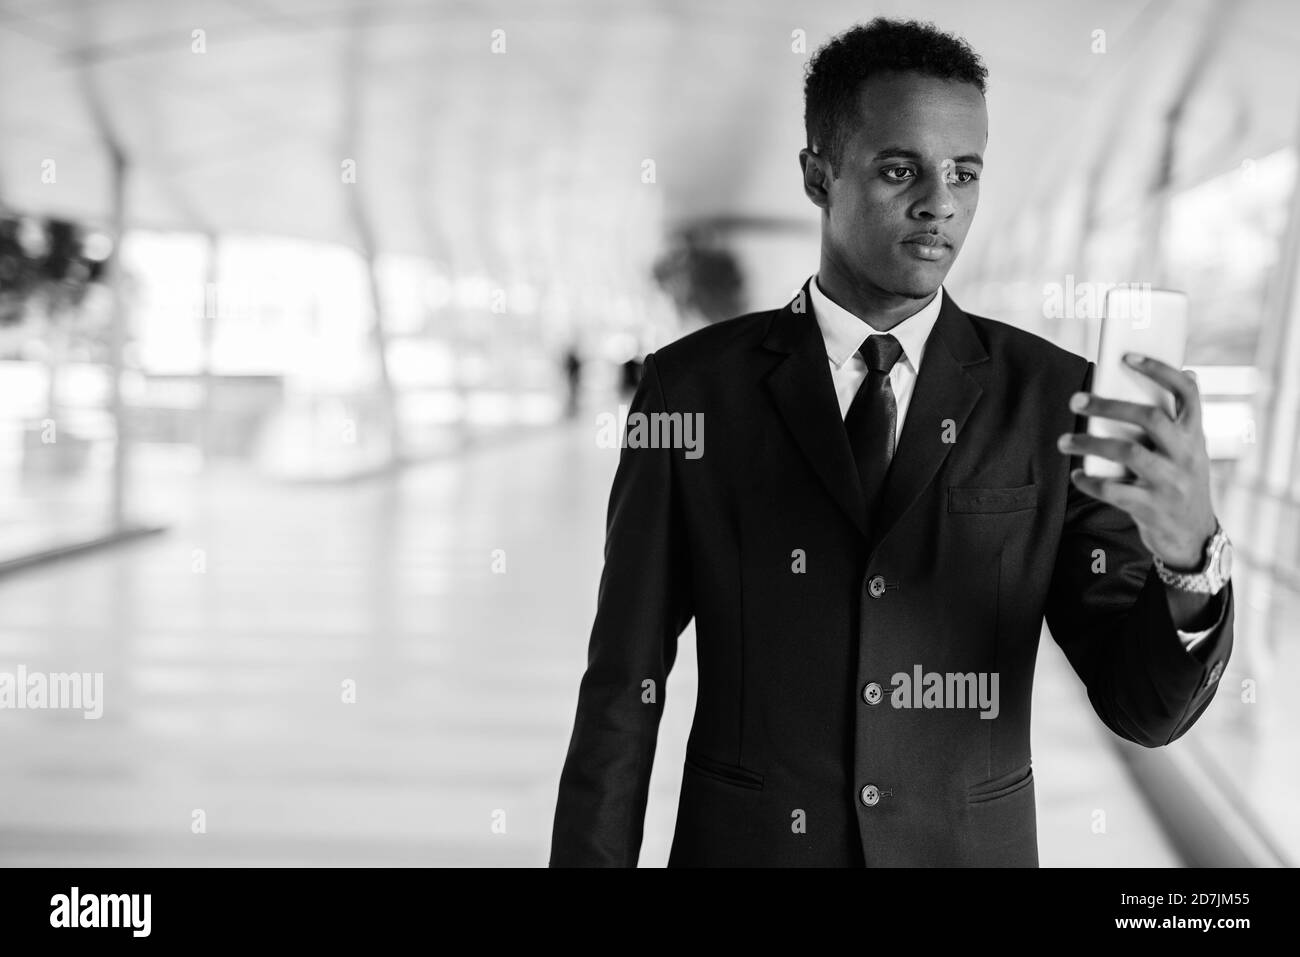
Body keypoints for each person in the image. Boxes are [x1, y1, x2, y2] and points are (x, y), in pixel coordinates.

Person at [550, 18, 1234, 867]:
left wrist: (1187, 562)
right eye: (900, 168)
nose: (940, 202)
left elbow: (1145, 709)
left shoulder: (1054, 397)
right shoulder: (690, 392)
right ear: (817, 173)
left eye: (965, 173)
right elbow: (624, 683)